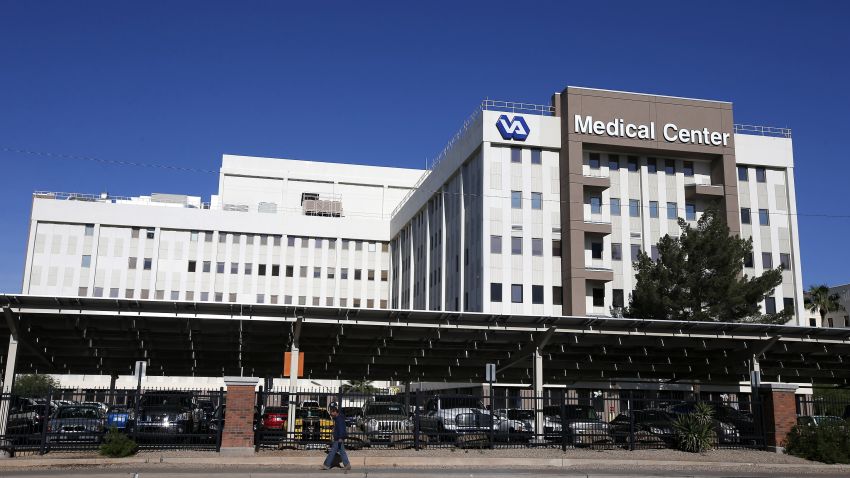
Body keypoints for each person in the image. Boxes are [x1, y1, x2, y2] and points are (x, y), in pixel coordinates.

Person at [321, 403, 351, 470]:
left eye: (331, 412)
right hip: (339, 437)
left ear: (335, 412)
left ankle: (326, 465)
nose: (331, 414)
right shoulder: (338, 418)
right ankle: (347, 465)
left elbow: (341, 429)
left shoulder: (339, 419)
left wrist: (340, 438)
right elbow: (339, 428)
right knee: (342, 451)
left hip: (338, 438)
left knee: (332, 451)